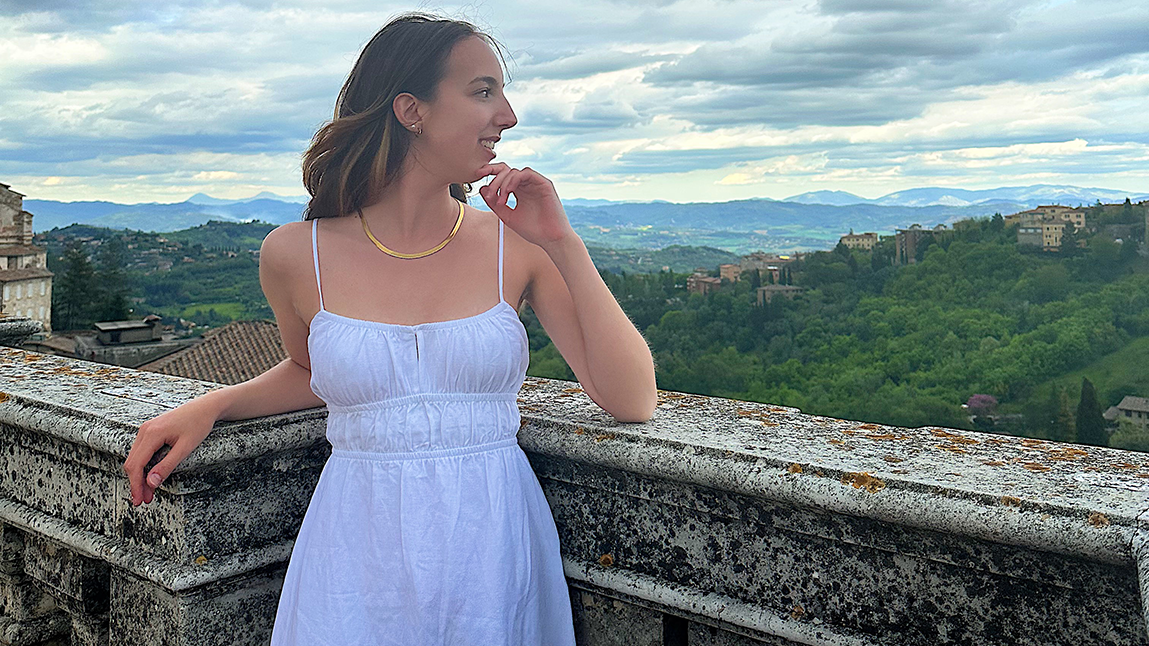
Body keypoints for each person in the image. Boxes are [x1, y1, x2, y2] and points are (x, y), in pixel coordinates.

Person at [121, 11, 657, 645]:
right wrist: (214, 404)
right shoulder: (296, 253)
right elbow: (314, 373)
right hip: (353, 554)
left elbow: (631, 399)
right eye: (483, 91)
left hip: (493, 542)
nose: (507, 116)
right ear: (412, 110)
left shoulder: (516, 246)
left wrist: (564, 243)